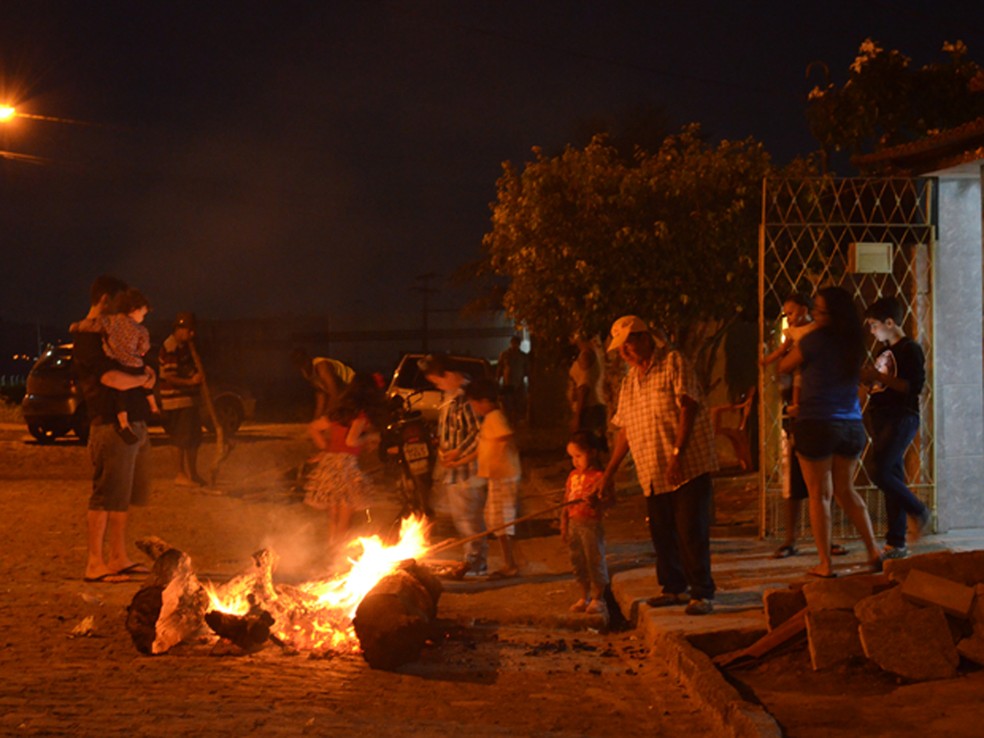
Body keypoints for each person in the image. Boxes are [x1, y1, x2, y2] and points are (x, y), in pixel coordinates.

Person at [599, 315, 718, 616]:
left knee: (691, 530)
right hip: (651, 469)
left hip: (686, 464)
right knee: (663, 532)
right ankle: (674, 588)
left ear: (644, 338)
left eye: (628, 344)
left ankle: (701, 592)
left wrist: (677, 453)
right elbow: (625, 429)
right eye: (621, 348)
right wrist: (609, 472)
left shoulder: (672, 362)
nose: (625, 352)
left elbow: (688, 406)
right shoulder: (629, 382)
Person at [779, 286, 882, 578]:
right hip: (850, 425)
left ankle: (825, 563)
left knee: (818, 495)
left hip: (817, 422)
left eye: (819, 310)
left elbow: (785, 365)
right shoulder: (854, 342)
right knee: (845, 491)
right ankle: (873, 550)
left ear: (831, 313)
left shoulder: (814, 340)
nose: (814, 314)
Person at [72, 275, 156, 583]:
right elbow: (109, 379)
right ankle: (95, 562)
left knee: (121, 497)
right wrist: (143, 380)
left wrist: (145, 375)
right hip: (109, 425)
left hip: (133, 424)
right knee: (106, 495)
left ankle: (118, 557)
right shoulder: (87, 336)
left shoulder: (114, 333)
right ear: (106, 300)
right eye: (118, 305)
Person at [761, 293, 849, 559]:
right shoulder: (804, 337)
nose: (789, 318)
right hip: (800, 416)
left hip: (820, 414)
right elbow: (783, 368)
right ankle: (791, 538)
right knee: (795, 483)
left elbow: (787, 366)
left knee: (825, 484)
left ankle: (826, 540)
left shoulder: (820, 338)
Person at [861, 296, 930, 559]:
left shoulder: (909, 349)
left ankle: (919, 510)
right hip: (880, 418)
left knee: (878, 470)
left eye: (874, 324)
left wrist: (878, 376)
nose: (872, 330)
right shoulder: (882, 352)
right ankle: (896, 542)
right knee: (892, 478)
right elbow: (878, 386)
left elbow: (911, 387)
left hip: (900, 417)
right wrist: (870, 379)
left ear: (890, 322)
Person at [419, 352, 488, 577]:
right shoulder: (450, 396)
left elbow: (479, 432)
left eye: (437, 381)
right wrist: (442, 450)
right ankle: (473, 559)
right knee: (462, 517)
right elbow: (450, 432)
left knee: (469, 518)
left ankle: (475, 562)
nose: (437, 386)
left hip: (467, 470)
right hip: (454, 469)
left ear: (448, 375)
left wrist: (458, 452)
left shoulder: (468, 397)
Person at [304, 374, 383, 556]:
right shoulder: (360, 415)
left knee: (333, 515)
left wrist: (325, 448)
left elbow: (313, 427)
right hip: (345, 466)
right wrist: (371, 438)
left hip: (329, 464)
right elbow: (351, 441)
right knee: (344, 517)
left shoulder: (336, 412)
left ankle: (331, 550)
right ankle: (337, 555)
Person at [464, 378, 520, 579]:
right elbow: (483, 447)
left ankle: (511, 565)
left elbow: (506, 437)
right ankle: (510, 562)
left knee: (502, 521)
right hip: (498, 477)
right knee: (496, 520)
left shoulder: (495, 417)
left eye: (473, 403)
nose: (473, 408)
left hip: (504, 476)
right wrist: (459, 460)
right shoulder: (491, 418)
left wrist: (499, 459)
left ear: (484, 401)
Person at [561, 430, 612, 616]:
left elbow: (611, 500)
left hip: (590, 525)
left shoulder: (600, 477)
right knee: (578, 561)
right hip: (574, 524)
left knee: (594, 560)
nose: (575, 461)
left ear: (592, 452)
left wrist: (598, 503)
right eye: (572, 457)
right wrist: (564, 523)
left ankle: (599, 598)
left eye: (578, 456)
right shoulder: (573, 476)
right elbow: (566, 501)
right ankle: (584, 596)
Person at [158, 312, 206, 486]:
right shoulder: (171, 347)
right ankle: (180, 474)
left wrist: (195, 375)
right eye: (189, 330)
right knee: (181, 438)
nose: (192, 334)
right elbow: (170, 377)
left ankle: (193, 473)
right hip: (176, 401)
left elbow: (186, 369)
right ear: (179, 328)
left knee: (194, 437)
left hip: (188, 400)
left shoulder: (186, 346)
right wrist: (190, 381)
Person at [291, 348, 356, 420]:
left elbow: (334, 392)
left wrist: (327, 415)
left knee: (339, 418)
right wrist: (317, 419)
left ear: (308, 358)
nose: (303, 365)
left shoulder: (322, 366)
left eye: (303, 361)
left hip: (353, 385)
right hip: (344, 390)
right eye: (299, 363)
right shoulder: (306, 372)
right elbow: (321, 394)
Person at [569, 333, 608, 443]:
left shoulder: (586, 355)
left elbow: (584, 387)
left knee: (586, 447)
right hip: (594, 407)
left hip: (589, 408)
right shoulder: (595, 351)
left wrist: (577, 416)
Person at [496, 335, 529, 425]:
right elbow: (500, 368)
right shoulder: (505, 355)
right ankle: (510, 420)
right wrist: (497, 379)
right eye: (513, 343)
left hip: (519, 383)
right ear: (511, 343)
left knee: (519, 402)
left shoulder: (523, 356)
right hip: (508, 383)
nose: (515, 345)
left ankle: (517, 420)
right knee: (508, 402)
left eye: (517, 343)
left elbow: (526, 370)